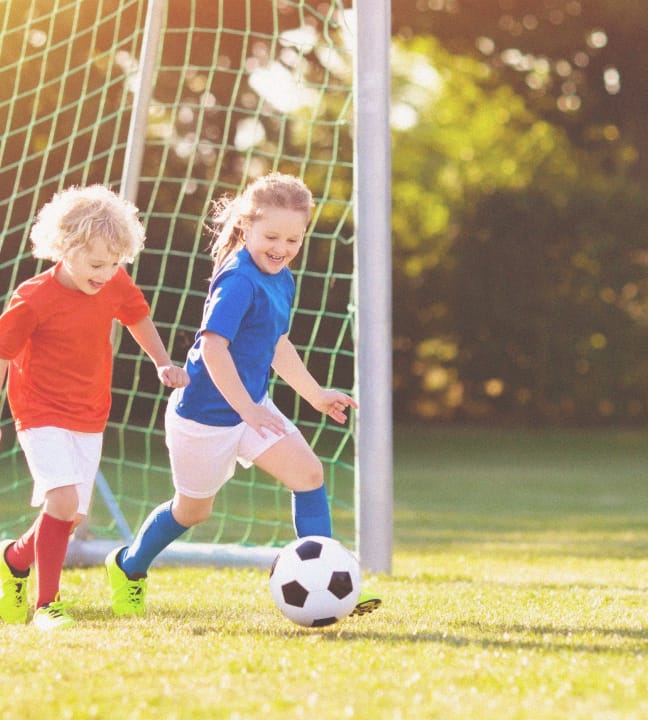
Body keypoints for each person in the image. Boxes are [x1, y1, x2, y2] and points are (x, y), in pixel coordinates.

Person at [105, 172, 381, 618]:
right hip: (204, 418)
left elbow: (277, 343)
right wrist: (248, 410)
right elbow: (213, 349)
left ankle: (333, 587)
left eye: (293, 238)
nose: (281, 247)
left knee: (309, 475)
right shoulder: (237, 279)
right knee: (192, 511)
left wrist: (313, 395)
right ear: (246, 227)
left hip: (250, 408)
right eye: (271, 235)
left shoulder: (282, 277)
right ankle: (129, 566)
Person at [0, 185, 189, 631]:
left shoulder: (114, 281)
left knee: (71, 515)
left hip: (90, 412)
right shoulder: (33, 298)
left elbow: (136, 314)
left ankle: (14, 560)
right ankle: (49, 606)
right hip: (39, 411)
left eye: (115, 264)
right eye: (96, 263)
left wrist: (163, 362)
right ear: (64, 249)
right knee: (62, 501)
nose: (106, 274)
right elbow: (4, 355)